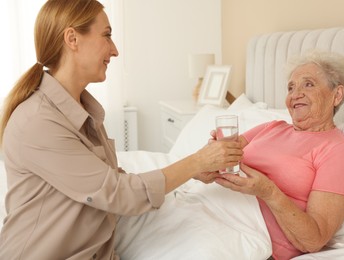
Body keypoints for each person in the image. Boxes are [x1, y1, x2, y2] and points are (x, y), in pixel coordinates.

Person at [0, 0, 242, 259]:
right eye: (107, 35)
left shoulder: (79, 109)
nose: (114, 50)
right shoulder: (38, 122)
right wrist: (195, 162)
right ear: (72, 38)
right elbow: (116, 192)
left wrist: (193, 170)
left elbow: (110, 180)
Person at [215, 50, 344, 259]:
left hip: (246, 237)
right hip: (214, 209)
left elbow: (314, 240)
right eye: (290, 87)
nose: (295, 94)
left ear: (336, 95)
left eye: (308, 84)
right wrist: (214, 153)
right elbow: (218, 159)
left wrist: (268, 192)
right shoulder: (271, 127)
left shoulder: (337, 152)